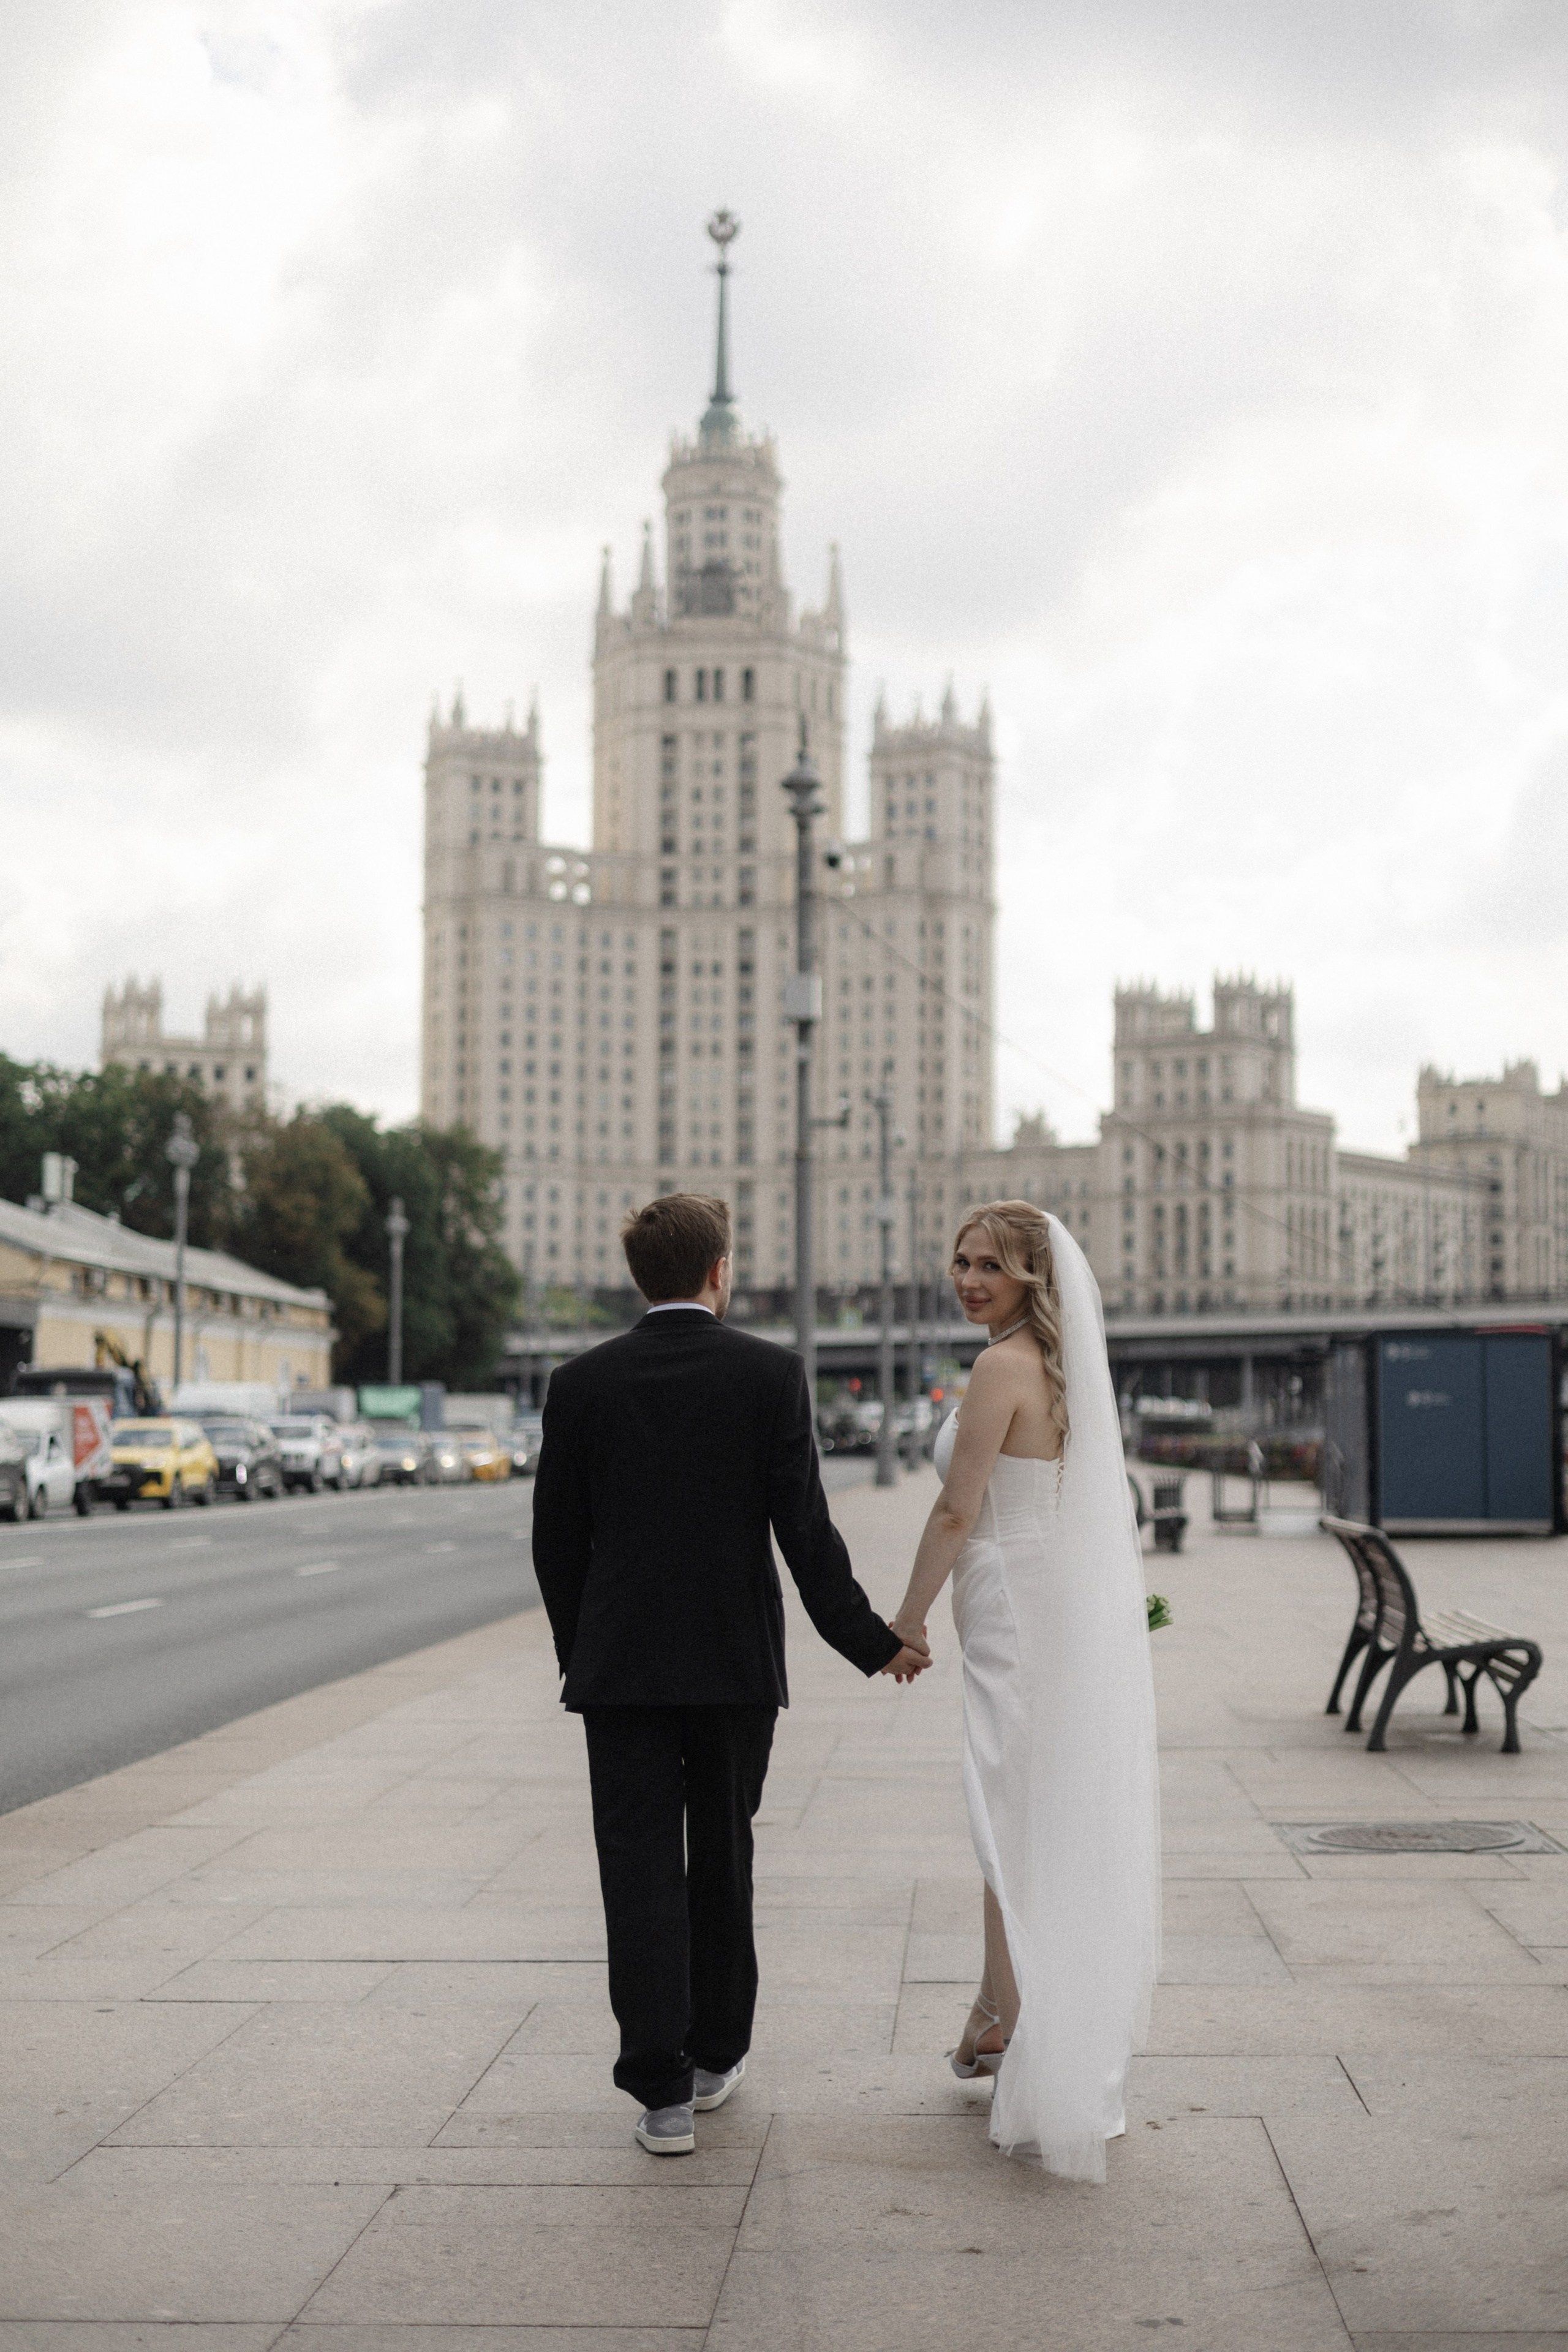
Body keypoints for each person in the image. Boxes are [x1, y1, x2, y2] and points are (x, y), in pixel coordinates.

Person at [531, 1192, 929, 2158]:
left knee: (636, 1872)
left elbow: (556, 1546)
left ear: (641, 1277)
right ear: (721, 1272)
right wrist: (874, 1641)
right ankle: (715, 2056)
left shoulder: (580, 1383)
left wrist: (583, 1655)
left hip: (620, 1673)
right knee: (722, 1855)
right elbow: (804, 1531)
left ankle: (660, 2097)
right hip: (732, 1669)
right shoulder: (768, 1375)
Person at [886, 1199, 1161, 2183]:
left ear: (1031, 1277)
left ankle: (1019, 2026)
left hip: (1011, 1604)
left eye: (989, 1266)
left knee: (1010, 1818)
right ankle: (1001, 2016)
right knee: (1026, 1817)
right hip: (1049, 1599)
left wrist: (907, 1618)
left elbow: (959, 1508)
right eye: (958, 1261)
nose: (967, 1279)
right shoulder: (1057, 1368)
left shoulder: (1001, 1368)